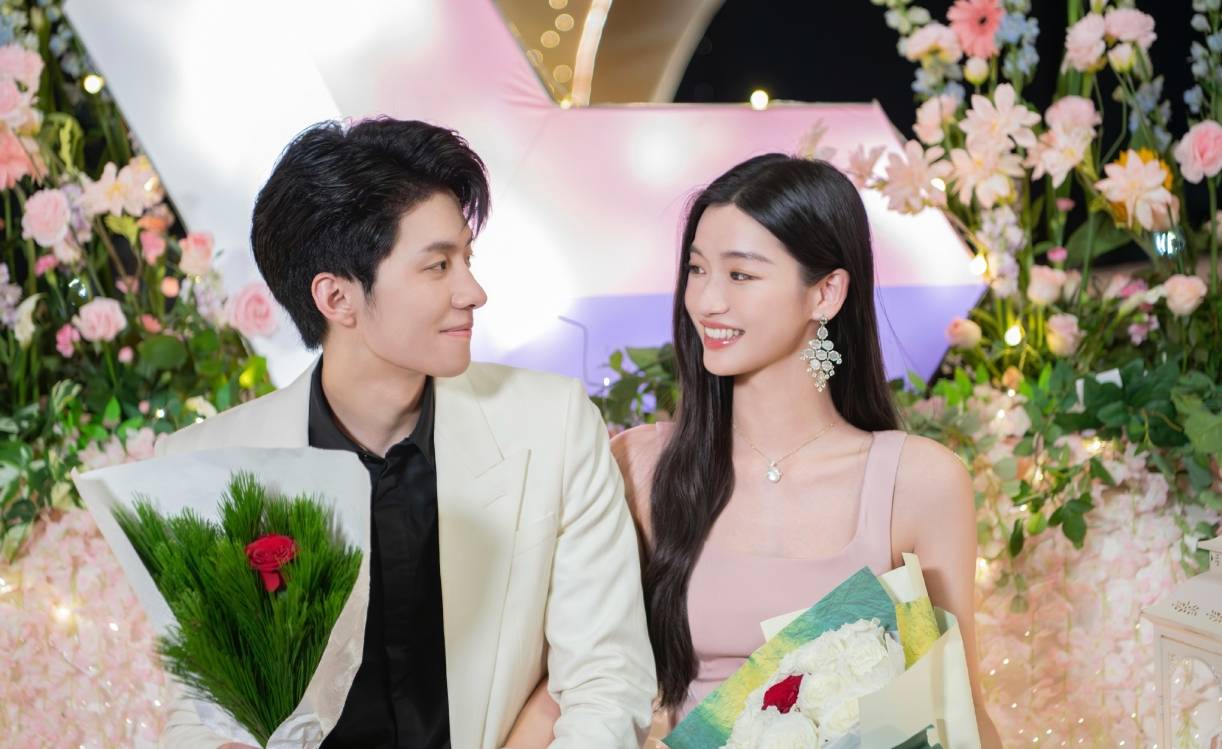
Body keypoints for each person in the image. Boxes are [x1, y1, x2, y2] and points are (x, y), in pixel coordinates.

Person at [154, 117, 656, 749]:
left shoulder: (552, 426)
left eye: (466, 259)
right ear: (337, 299)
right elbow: (202, 717)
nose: (473, 292)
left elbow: (607, 678)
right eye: (438, 265)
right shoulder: (206, 465)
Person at [517, 154, 1002, 747]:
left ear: (826, 293)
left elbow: (958, 709)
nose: (706, 301)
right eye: (697, 269)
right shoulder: (639, 467)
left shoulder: (918, 481)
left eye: (740, 275)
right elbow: (570, 687)